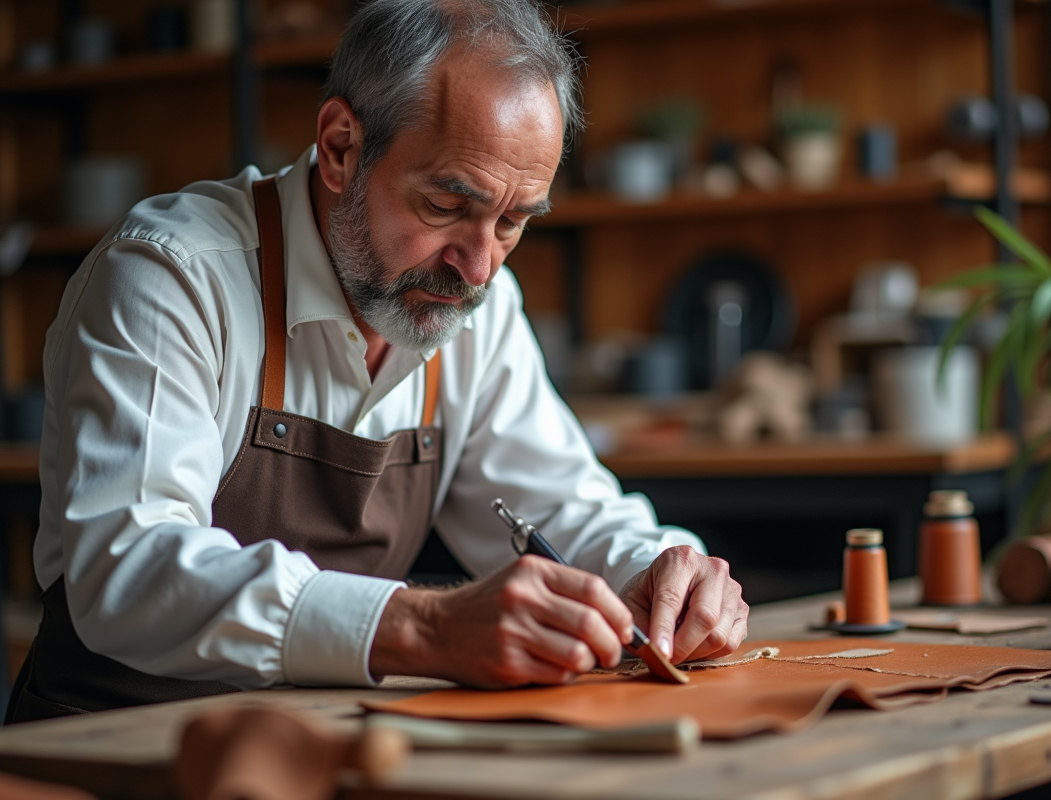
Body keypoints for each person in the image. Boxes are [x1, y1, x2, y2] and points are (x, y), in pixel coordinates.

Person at [6, 0, 747, 724]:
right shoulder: (174, 275)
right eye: (446, 207)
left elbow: (564, 509)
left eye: (514, 221)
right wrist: (424, 628)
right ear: (340, 146)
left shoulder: (469, 307)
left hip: (320, 750)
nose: (480, 268)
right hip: (111, 749)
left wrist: (658, 570)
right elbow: (128, 569)